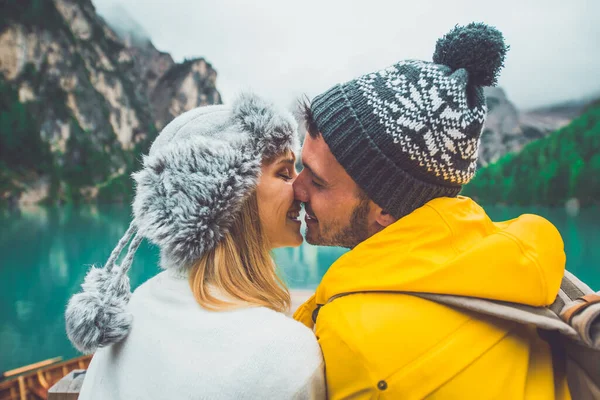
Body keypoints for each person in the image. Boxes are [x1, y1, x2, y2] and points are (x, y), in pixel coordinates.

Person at [293, 23, 570, 399]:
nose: (296, 188)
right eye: (299, 165)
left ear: (386, 208)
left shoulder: (353, 342)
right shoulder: (515, 267)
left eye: (318, 180)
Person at [65, 93, 325, 400]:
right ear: (228, 196)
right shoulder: (287, 352)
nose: (300, 187)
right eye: (284, 172)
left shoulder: (137, 307)